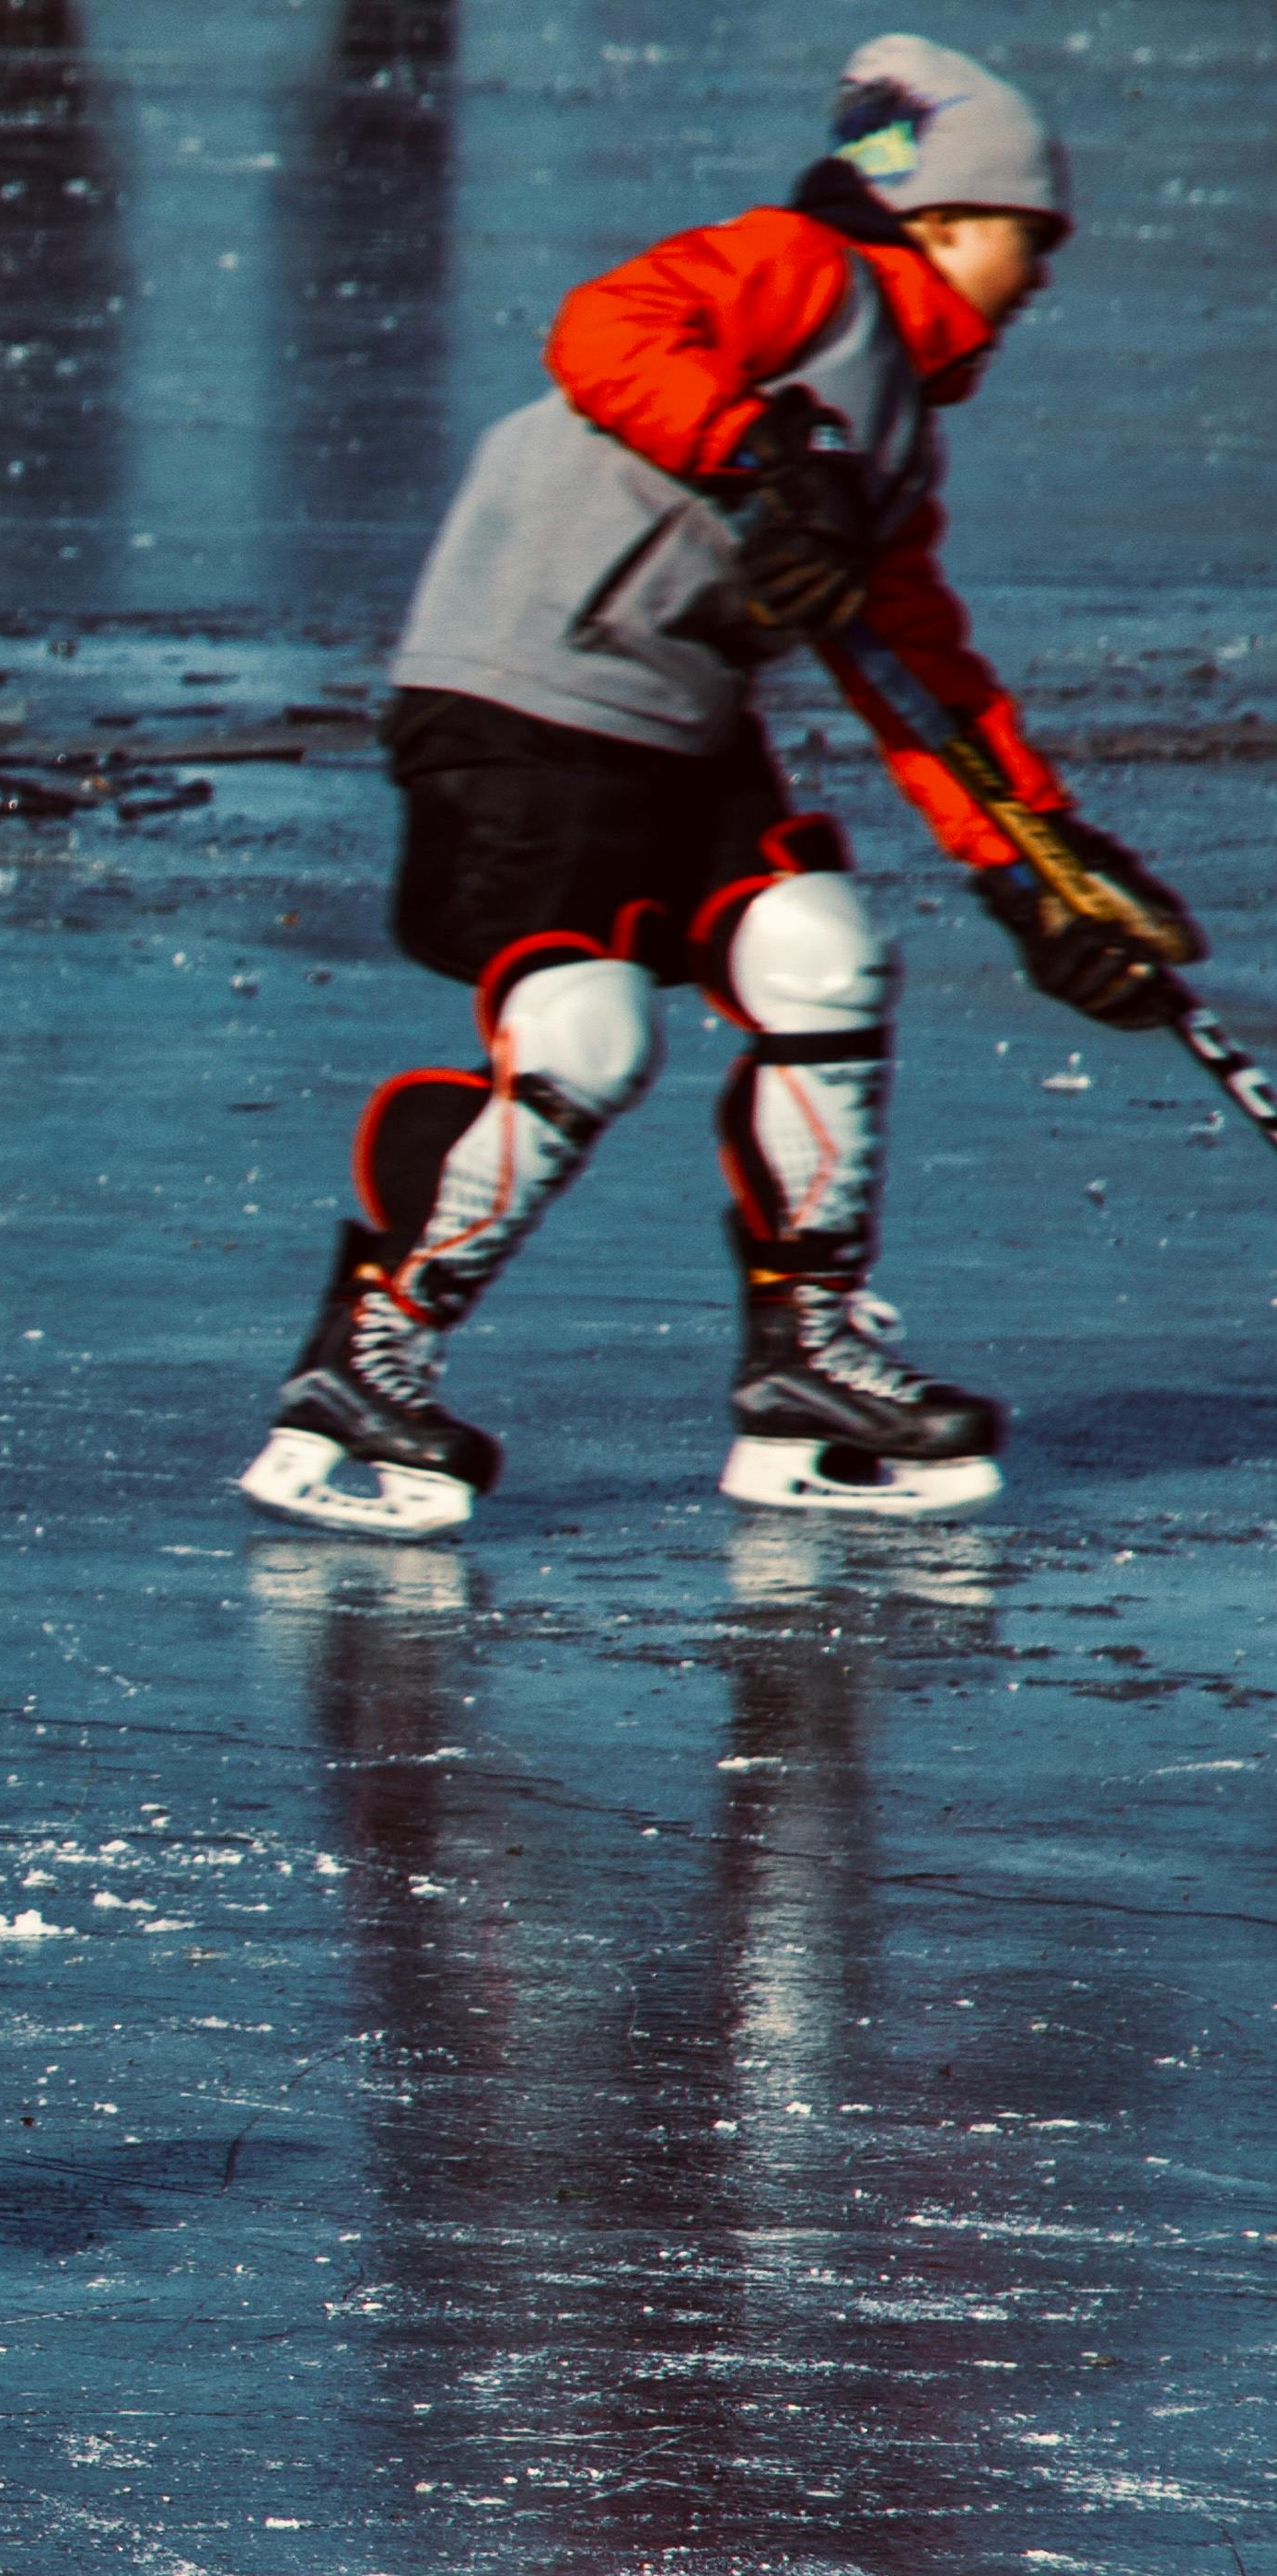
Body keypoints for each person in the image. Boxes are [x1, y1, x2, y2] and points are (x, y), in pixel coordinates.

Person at [242, 33, 1202, 1538]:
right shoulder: (803, 269)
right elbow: (606, 328)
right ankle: (367, 1355)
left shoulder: (896, 426)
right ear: (946, 218)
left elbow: (914, 667)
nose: (1044, 277)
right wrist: (763, 448)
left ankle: (801, 1362)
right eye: (1034, 237)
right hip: (519, 688)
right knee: (585, 1028)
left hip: (679, 721)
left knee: (821, 947)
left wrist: (1038, 865)